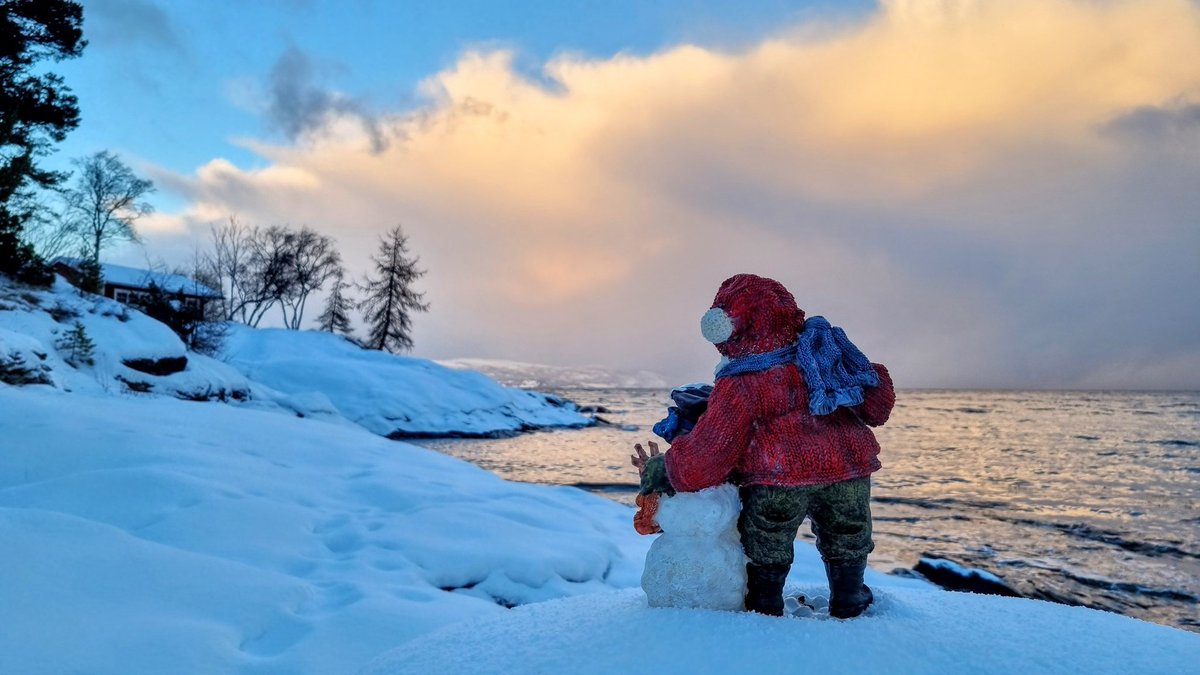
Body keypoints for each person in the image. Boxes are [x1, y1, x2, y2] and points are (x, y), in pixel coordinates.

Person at [632, 273, 895, 618]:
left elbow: (710, 454)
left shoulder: (744, 380)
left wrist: (663, 468)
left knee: (766, 539)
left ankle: (765, 607)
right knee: (848, 532)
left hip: (776, 477)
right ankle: (849, 599)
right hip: (847, 470)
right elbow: (877, 404)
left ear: (726, 325)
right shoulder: (824, 351)